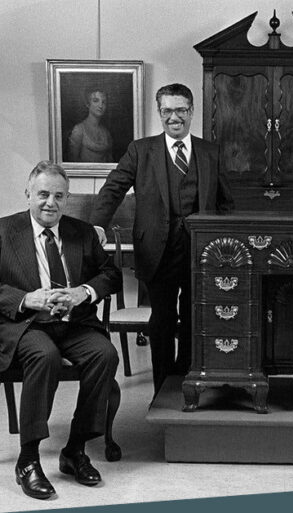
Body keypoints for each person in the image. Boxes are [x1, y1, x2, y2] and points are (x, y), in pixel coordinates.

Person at [91, 83, 235, 393]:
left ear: (191, 112)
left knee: (195, 318)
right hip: (157, 250)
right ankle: (162, 388)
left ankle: (186, 379)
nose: (174, 117)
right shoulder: (140, 150)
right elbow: (114, 188)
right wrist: (98, 225)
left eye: (181, 110)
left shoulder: (210, 152)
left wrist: (224, 245)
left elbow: (226, 203)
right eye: (167, 111)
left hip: (200, 251)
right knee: (162, 319)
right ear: (159, 113)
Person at [0, 161, 121, 499]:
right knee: (45, 355)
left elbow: (110, 274)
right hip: (26, 324)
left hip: (73, 323)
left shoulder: (82, 232)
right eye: (43, 194)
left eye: (59, 196)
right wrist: (26, 299)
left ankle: (75, 450)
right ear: (28, 194)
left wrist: (83, 292)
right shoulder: (4, 232)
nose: (50, 203)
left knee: (105, 354)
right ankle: (28, 460)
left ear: (67, 199)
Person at [67, 90, 113, 163]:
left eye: (103, 102)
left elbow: (110, 162)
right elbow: (72, 161)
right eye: (96, 101)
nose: (100, 106)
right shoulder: (79, 130)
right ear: (87, 104)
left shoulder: (106, 133)